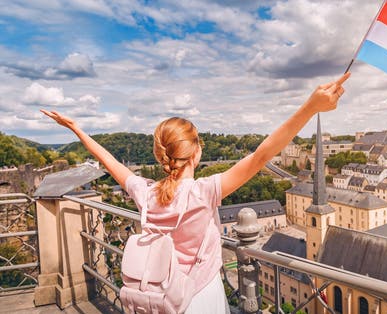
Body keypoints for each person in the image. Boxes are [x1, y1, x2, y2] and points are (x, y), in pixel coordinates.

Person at [41, 72, 350, 313]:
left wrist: (77, 129)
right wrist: (310, 107)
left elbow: (110, 163)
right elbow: (260, 156)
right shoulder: (203, 192)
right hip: (200, 297)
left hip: (160, 298)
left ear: (162, 156)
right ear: (196, 153)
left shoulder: (145, 194)